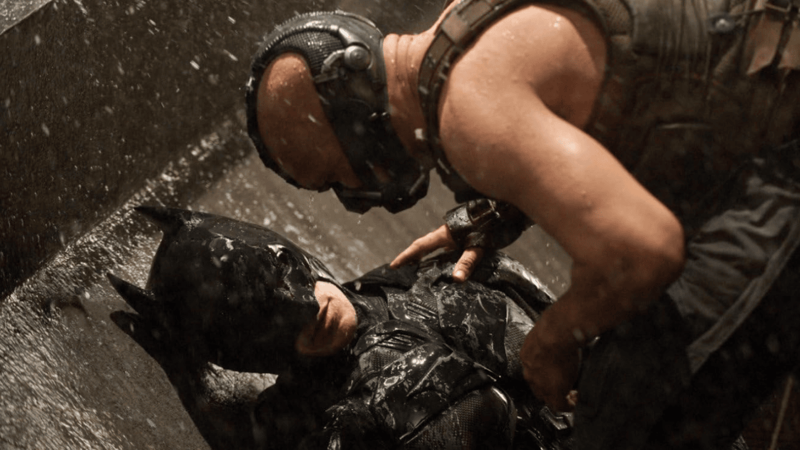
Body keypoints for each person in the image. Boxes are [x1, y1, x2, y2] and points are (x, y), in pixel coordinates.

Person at [244, 1, 800, 448]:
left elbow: (644, 251)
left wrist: (554, 340)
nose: (355, 200)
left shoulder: (465, 114)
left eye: (335, 177)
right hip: (771, 79)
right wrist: (498, 209)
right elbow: (613, 83)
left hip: (781, 168)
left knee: (619, 416)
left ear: (356, 125)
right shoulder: (464, 26)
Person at [107, 205, 578, 450]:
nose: (306, 306)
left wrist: (500, 207)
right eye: (263, 322)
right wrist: (187, 375)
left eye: (282, 269)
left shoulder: (435, 271)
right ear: (245, 352)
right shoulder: (322, 418)